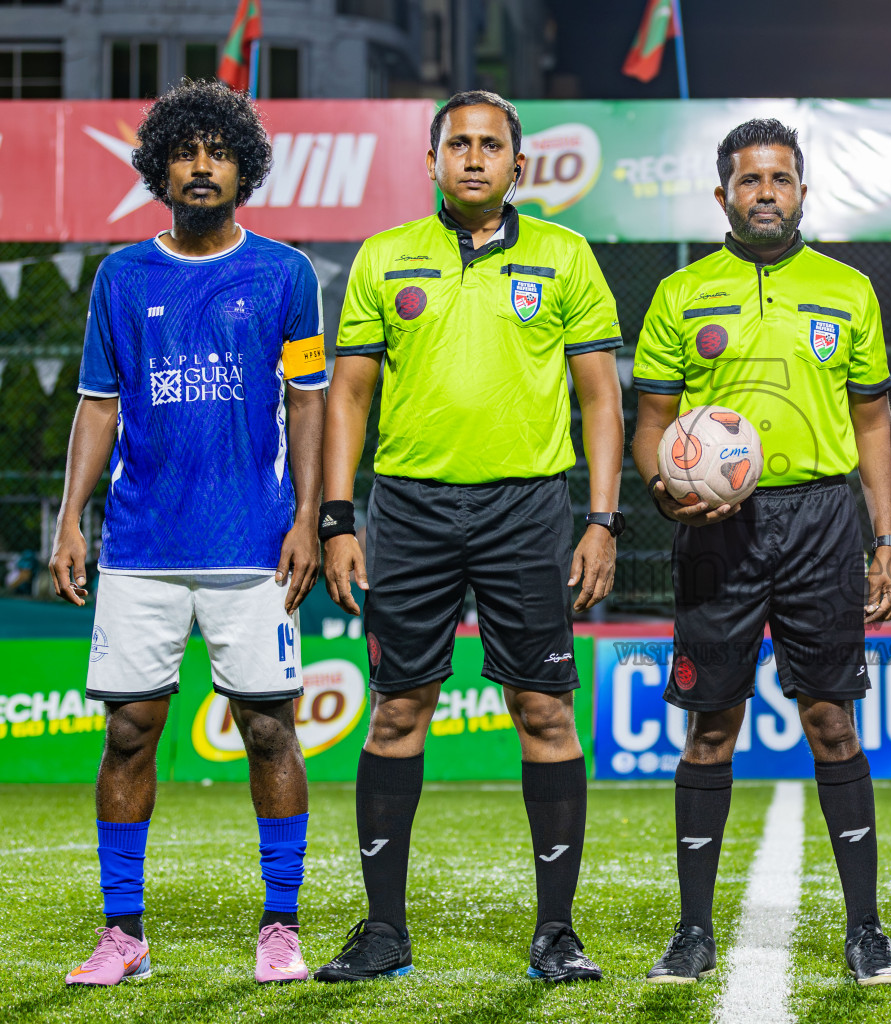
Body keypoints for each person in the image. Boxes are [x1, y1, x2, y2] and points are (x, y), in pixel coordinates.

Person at [314, 91, 625, 984]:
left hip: (528, 509)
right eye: (460, 144)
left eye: (493, 145)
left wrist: (601, 520)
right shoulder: (385, 257)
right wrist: (340, 517)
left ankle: (556, 933)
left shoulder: (564, 258)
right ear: (433, 161)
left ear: (518, 166)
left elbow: (602, 398)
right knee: (400, 707)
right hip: (408, 508)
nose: (476, 157)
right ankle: (383, 932)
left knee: (545, 710)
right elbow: (350, 397)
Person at [51, 80, 325, 985]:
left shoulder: (286, 274)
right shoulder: (122, 278)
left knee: (270, 732)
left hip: (253, 545)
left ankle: (279, 926)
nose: (202, 164)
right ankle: (123, 933)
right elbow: (97, 407)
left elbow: (309, 405)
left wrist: (310, 521)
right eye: (185, 150)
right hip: (142, 546)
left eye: (219, 151)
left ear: (244, 168)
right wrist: (70, 521)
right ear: (159, 166)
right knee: (129, 731)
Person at [630, 119, 891, 985]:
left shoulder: (847, 290)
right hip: (719, 530)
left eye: (780, 179)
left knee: (831, 721)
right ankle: (692, 931)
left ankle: (865, 929)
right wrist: (664, 488)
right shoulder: (682, 294)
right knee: (711, 726)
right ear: (723, 196)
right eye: (750, 181)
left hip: (823, 519)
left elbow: (873, 425)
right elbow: (650, 425)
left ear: (801, 190)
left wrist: (888, 541)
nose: (766, 193)